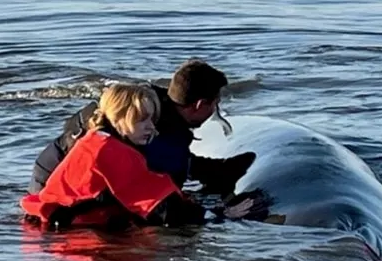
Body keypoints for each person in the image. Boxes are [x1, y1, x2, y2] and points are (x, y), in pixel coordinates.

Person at [21, 83, 266, 231]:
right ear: (119, 119)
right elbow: (163, 209)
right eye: (142, 120)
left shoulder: (100, 141)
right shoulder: (111, 151)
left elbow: (148, 191)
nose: (152, 128)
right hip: (67, 233)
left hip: (56, 224)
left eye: (152, 119)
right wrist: (223, 216)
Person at [28, 58, 256, 196]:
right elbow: (164, 194)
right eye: (215, 104)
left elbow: (71, 125)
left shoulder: (139, 100)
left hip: (48, 168)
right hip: (61, 190)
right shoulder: (164, 134)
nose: (215, 111)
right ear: (198, 105)